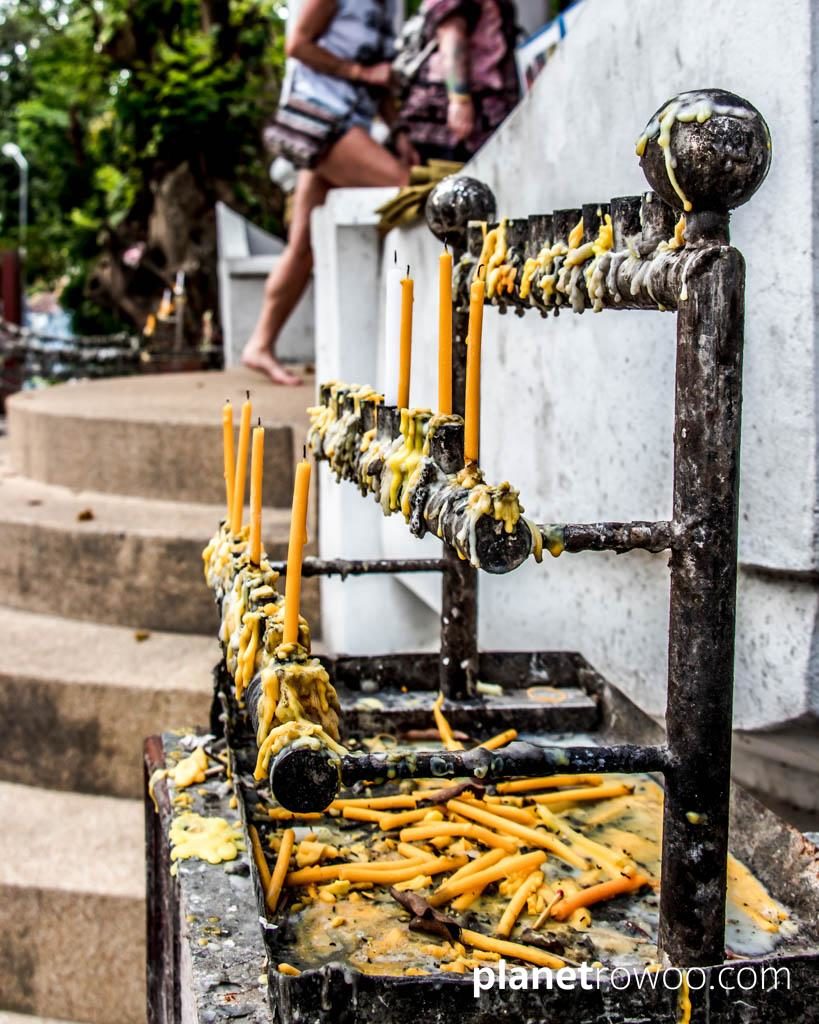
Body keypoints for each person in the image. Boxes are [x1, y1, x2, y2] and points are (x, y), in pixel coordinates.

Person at [243, 0, 410, 385]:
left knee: (302, 245)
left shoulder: (394, 7)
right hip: (320, 119)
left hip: (354, 124)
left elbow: (382, 82)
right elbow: (297, 44)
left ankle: (259, 343)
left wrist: (398, 131)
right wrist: (359, 72)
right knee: (406, 190)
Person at [392, 0, 520, 167]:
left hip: (469, 116)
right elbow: (451, 35)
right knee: (452, 183)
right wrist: (459, 99)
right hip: (452, 119)